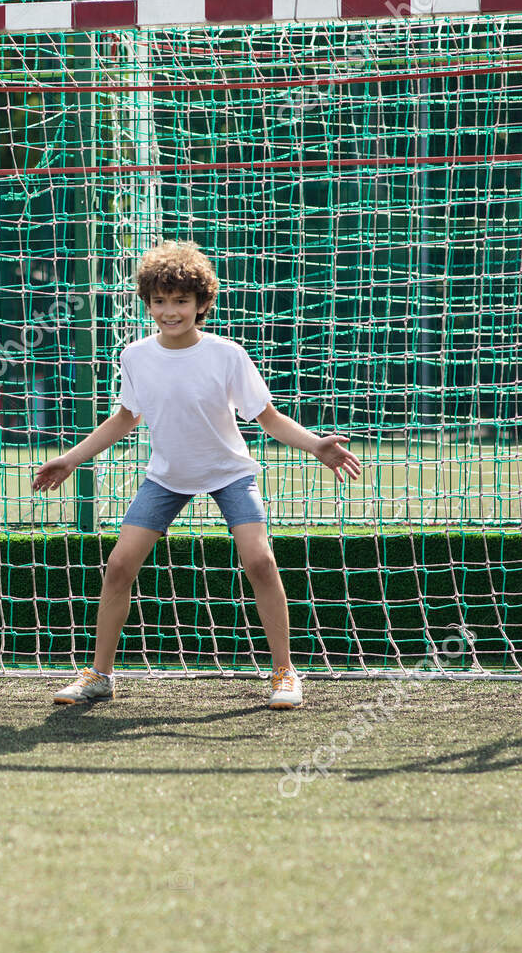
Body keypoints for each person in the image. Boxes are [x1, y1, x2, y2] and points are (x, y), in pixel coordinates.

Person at [32, 241, 362, 709]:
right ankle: (99, 675)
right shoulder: (136, 356)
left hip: (229, 473)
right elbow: (125, 418)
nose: (170, 311)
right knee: (119, 566)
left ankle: (285, 673)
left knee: (260, 563)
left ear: (202, 303)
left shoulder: (226, 355)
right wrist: (71, 458)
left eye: (181, 301)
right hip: (166, 477)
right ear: (147, 303)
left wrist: (316, 446)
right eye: (160, 301)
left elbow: (267, 418)